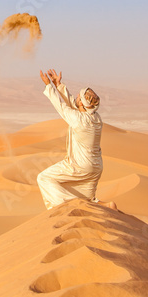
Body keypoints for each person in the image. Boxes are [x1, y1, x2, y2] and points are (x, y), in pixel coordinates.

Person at [36, 69, 113, 210]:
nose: (76, 96)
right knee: (86, 199)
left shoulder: (79, 120)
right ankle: (105, 206)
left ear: (83, 104)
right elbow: (73, 105)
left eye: (79, 96)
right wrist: (58, 85)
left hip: (80, 166)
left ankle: (70, 208)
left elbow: (62, 107)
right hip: (95, 167)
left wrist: (49, 86)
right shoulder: (96, 118)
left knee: (44, 178)